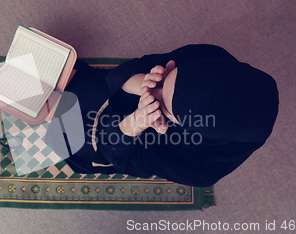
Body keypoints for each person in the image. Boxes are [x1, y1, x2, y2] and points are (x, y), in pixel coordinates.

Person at [55, 44, 279, 187]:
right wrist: (141, 82)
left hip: (119, 141)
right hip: (117, 92)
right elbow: (143, 67)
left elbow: (126, 160)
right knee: (80, 92)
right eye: (167, 78)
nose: (152, 93)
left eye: (163, 104)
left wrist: (135, 122)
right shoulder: (210, 57)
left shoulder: (198, 168)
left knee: (64, 139)